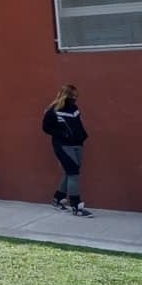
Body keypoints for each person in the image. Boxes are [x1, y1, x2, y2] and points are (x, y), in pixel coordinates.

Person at [42, 84, 92, 218]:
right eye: (73, 96)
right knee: (73, 173)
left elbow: (79, 125)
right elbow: (46, 128)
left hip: (77, 145)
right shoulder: (53, 110)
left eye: (76, 96)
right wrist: (63, 134)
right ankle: (76, 206)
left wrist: (82, 137)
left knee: (69, 172)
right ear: (65, 95)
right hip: (63, 145)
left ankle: (57, 199)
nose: (75, 98)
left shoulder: (74, 108)